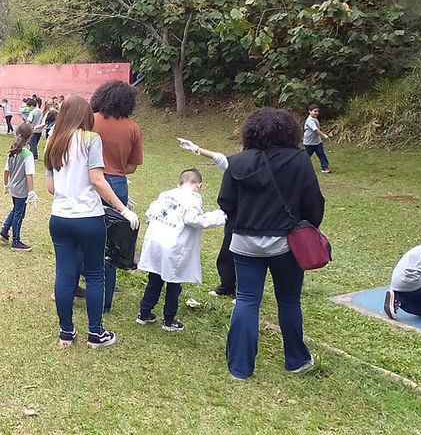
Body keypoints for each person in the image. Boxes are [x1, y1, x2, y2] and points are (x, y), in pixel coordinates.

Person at [218, 107, 325, 379]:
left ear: (250, 131)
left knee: (246, 300)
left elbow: (225, 202)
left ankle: (239, 367)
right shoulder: (299, 161)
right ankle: (296, 360)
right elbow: (313, 203)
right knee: (288, 301)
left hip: (244, 243)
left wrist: (243, 221)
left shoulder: (237, 162)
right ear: (290, 131)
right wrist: (305, 225)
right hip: (286, 244)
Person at [45, 95, 139, 349]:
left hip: (60, 217)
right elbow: (97, 179)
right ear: (85, 115)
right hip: (88, 217)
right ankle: (96, 334)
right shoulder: (91, 139)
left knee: (64, 274)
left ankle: (66, 332)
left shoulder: (52, 141)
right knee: (96, 274)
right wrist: (123, 209)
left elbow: (51, 187)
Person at [137, 169, 226, 331]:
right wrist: (220, 216)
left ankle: (144, 313)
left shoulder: (165, 194)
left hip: (156, 242)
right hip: (173, 246)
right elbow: (194, 219)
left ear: (179, 183)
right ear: (199, 186)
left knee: (154, 278)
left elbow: (149, 213)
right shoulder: (193, 198)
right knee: (173, 283)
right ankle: (169, 320)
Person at [90, 80, 144, 311]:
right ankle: (106, 301)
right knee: (112, 244)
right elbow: (132, 166)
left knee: (87, 234)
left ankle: (83, 283)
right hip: (118, 184)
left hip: (91, 181)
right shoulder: (133, 128)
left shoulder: (91, 121)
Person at [177, 137, 235, 299]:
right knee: (227, 253)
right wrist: (198, 149)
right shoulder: (240, 162)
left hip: (253, 212)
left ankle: (242, 293)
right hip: (234, 213)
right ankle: (227, 286)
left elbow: (195, 220)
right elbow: (223, 160)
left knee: (244, 256)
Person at [0, 123, 38, 251]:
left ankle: (4, 231)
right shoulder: (28, 154)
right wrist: (31, 192)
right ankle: (16, 241)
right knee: (19, 215)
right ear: (29, 138)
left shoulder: (12, 152)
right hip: (22, 190)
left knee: (15, 210)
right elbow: (29, 175)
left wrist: (6, 185)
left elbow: (6, 171)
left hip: (13, 188)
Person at [303, 104, 331, 174]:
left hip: (317, 141)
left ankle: (325, 167)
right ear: (310, 111)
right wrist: (324, 135)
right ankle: (301, 166)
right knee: (307, 156)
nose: (316, 113)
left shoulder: (314, 118)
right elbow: (315, 130)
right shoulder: (310, 120)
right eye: (315, 111)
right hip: (309, 142)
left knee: (321, 154)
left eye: (317, 111)